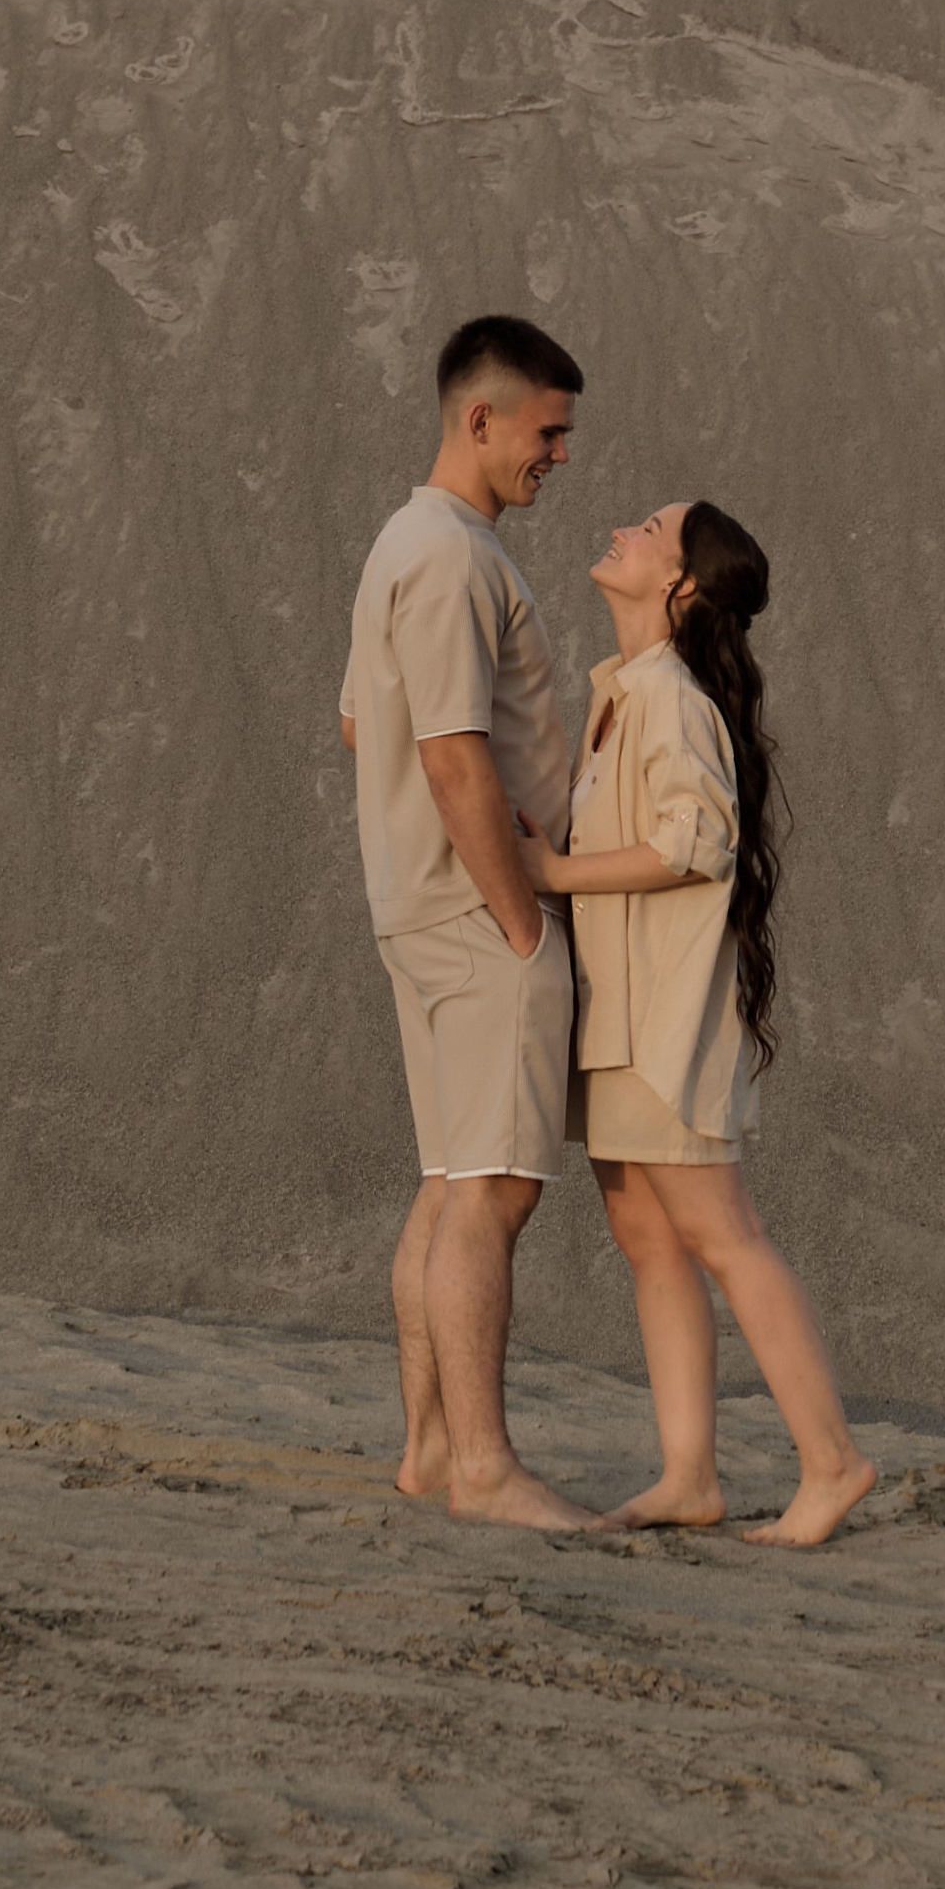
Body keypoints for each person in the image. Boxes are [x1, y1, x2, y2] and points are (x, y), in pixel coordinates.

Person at [517, 498, 877, 1548]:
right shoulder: (625, 692)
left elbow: (698, 841)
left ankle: (833, 1462)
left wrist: (554, 870)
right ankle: (688, 1474)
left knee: (726, 1237)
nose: (622, 528)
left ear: (680, 587)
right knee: (648, 1241)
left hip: (669, 1022)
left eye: (649, 527)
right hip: (619, 1021)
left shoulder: (670, 698)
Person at [341, 315, 592, 1532]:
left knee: (450, 1185)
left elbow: (361, 726)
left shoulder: (405, 542)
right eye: (546, 430)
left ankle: (432, 1452)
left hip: (417, 901)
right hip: (472, 912)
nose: (557, 454)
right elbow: (450, 756)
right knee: (491, 1192)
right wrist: (523, 919)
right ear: (478, 417)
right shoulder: (449, 554)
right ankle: (484, 1466)